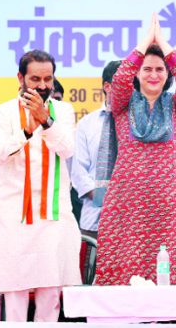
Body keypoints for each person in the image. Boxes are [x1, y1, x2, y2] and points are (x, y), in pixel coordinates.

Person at [95, 14, 176, 286]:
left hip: (171, 203)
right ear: (137, 74)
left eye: (160, 69)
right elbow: (119, 80)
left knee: (170, 275)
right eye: (147, 69)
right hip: (128, 204)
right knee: (126, 274)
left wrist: (162, 42)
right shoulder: (121, 105)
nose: (153, 75)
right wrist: (144, 43)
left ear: (167, 75)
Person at [0, 49, 80, 321]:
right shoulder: (4, 112)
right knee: (14, 291)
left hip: (52, 214)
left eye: (48, 79)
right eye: (35, 79)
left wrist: (45, 120)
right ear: (21, 78)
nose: (42, 86)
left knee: (50, 292)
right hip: (14, 212)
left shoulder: (63, 110)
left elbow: (67, 148)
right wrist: (27, 131)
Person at [71, 60, 121, 238]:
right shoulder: (87, 124)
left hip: (131, 225)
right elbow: (78, 172)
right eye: (122, 84)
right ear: (107, 86)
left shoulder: (138, 124)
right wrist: (106, 201)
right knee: (90, 266)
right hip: (94, 222)